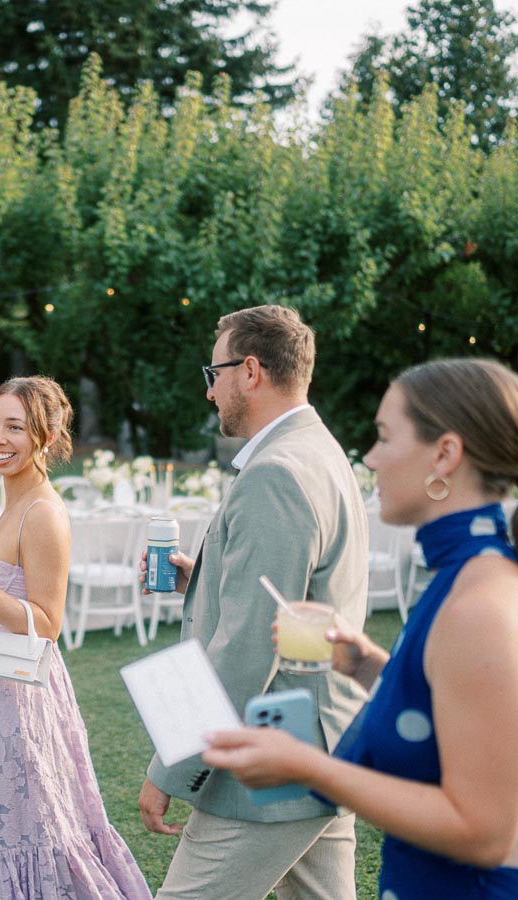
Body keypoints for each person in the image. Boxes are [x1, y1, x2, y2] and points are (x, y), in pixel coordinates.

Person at [202, 358, 518, 899]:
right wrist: (365, 663)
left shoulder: (480, 605)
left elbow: (483, 830)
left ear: (444, 455)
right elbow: (463, 713)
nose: (370, 459)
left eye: (383, 437)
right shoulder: (472, 575)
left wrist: (308, 767)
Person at [139, 304, 369, 899]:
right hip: (324, 742)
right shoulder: (319, 449)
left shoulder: (276, 472)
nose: (209, 392)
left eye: (211, 374)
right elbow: (295, 596)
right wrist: (205, 577)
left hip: (274, 758)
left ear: (249, 371)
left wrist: (170, 766)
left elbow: (245, 650)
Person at [0, 375, 151, 899]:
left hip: (17, 696)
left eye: (15, 427)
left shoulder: (43, 512)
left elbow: (46, 623)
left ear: (45, 437)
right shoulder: (14, 503)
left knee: (33, 826)